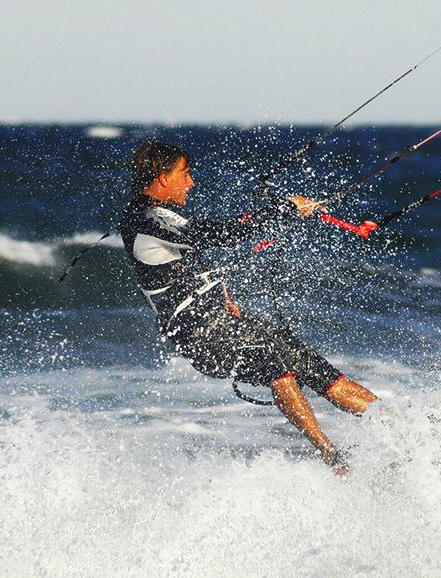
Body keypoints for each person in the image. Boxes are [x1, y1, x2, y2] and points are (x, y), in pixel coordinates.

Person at [120, 142, 378, 473]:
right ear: (162, 175)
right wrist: (282, 208)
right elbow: (220, 234)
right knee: (274, 361)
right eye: (185, 174)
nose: (191, 182)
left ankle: (400, 425)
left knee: (311, 365)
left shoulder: (159, 214)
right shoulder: (147, 217)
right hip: (201, 338)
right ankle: (333, 457)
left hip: (227, 324)